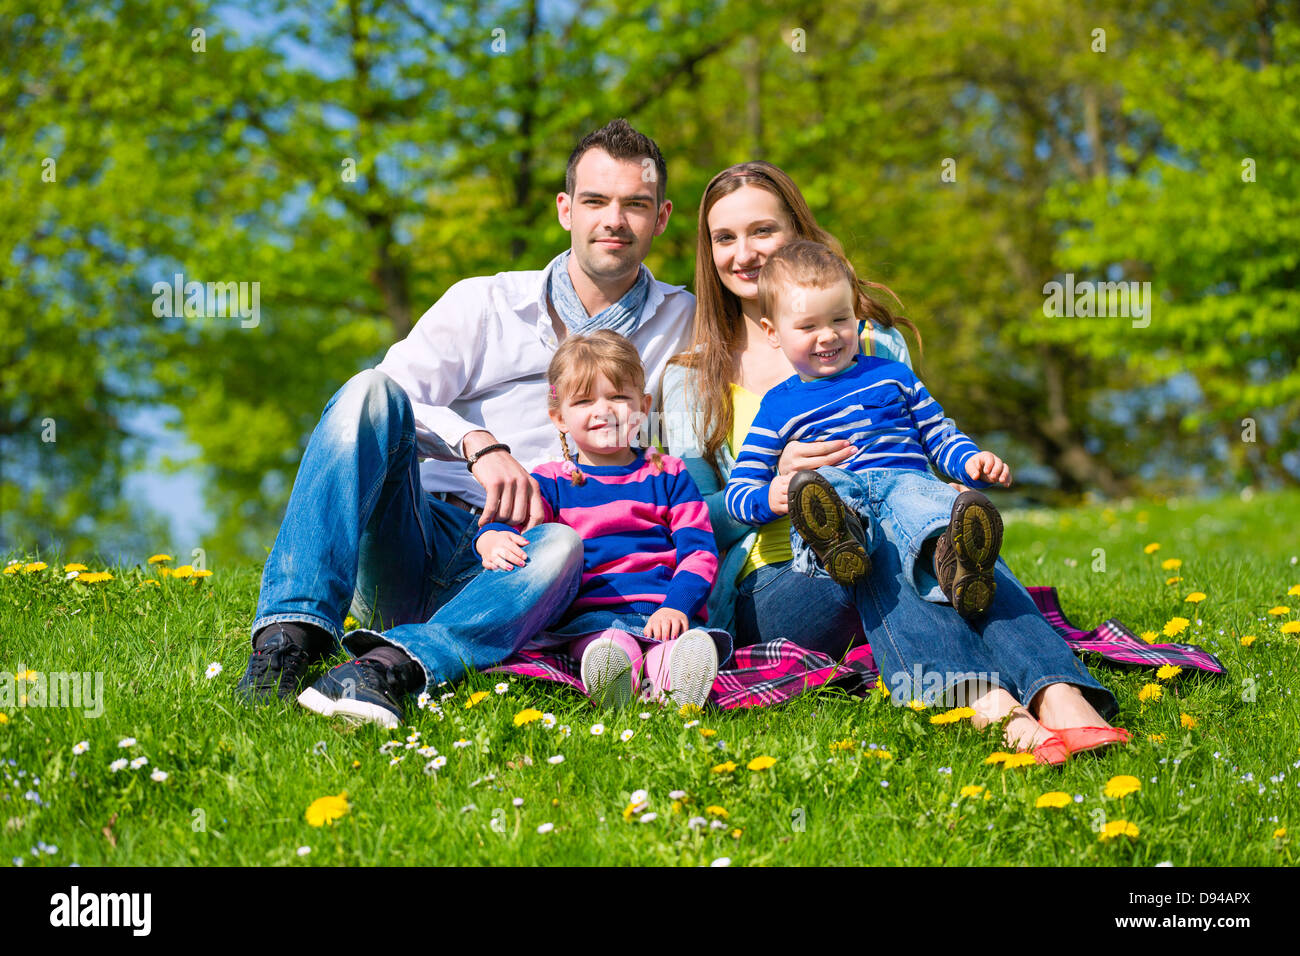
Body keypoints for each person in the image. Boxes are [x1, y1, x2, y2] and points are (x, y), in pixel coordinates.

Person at [659, 161, 1129, 761]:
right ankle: (1008, 701)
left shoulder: (875, 346)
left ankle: (1051, 698)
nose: (744, 253)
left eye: (762, 231)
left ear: (797, 233)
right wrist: (777, 488)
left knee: (930, 528)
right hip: (780, 583)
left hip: (889, 524)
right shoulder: (692, 377)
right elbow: (693, 522)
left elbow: (924, 456)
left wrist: (966, 471)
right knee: (861, 542)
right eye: (725, 238)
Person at [237, 119, 697, 729]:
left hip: (527, 562)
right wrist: (476, 441)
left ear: (660, 218)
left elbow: (776, 338)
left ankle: (387, 668)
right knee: (368, 392)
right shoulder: (485, 301)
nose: (613, 219)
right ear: (565, 209)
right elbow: (388, 399)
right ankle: (289, 642)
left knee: (564, 543)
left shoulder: (683, 319)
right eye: (595, 201)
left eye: (634, 205)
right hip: (420, 532)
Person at [724, 239, 1012, 620]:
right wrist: (770, 496)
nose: (827, 335)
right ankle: (842, 544)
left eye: (840, 320)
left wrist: (973, 461)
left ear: (856, 316)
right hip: (846, 500)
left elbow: (939, 435)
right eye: (808, 326)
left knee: (919, 497)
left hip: (902, 486)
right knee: (823, 488)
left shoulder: (891, 375)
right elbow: (738, 491)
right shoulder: (777, 407)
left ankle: (956, 562)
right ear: (773, 332)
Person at [472, 331, 728, 710]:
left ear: (643, 407)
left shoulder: (668, 473)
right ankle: (615, 684)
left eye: (619, 397)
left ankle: (673, 688)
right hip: (589, 619)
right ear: (559, 417)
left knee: (670, 652)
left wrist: (678, 605)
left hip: (664, 612)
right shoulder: (550, 481)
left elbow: (699, 552)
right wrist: (490, 538)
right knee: (612, 647)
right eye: (584, 400)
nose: (603, 410)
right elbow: (509, 526)